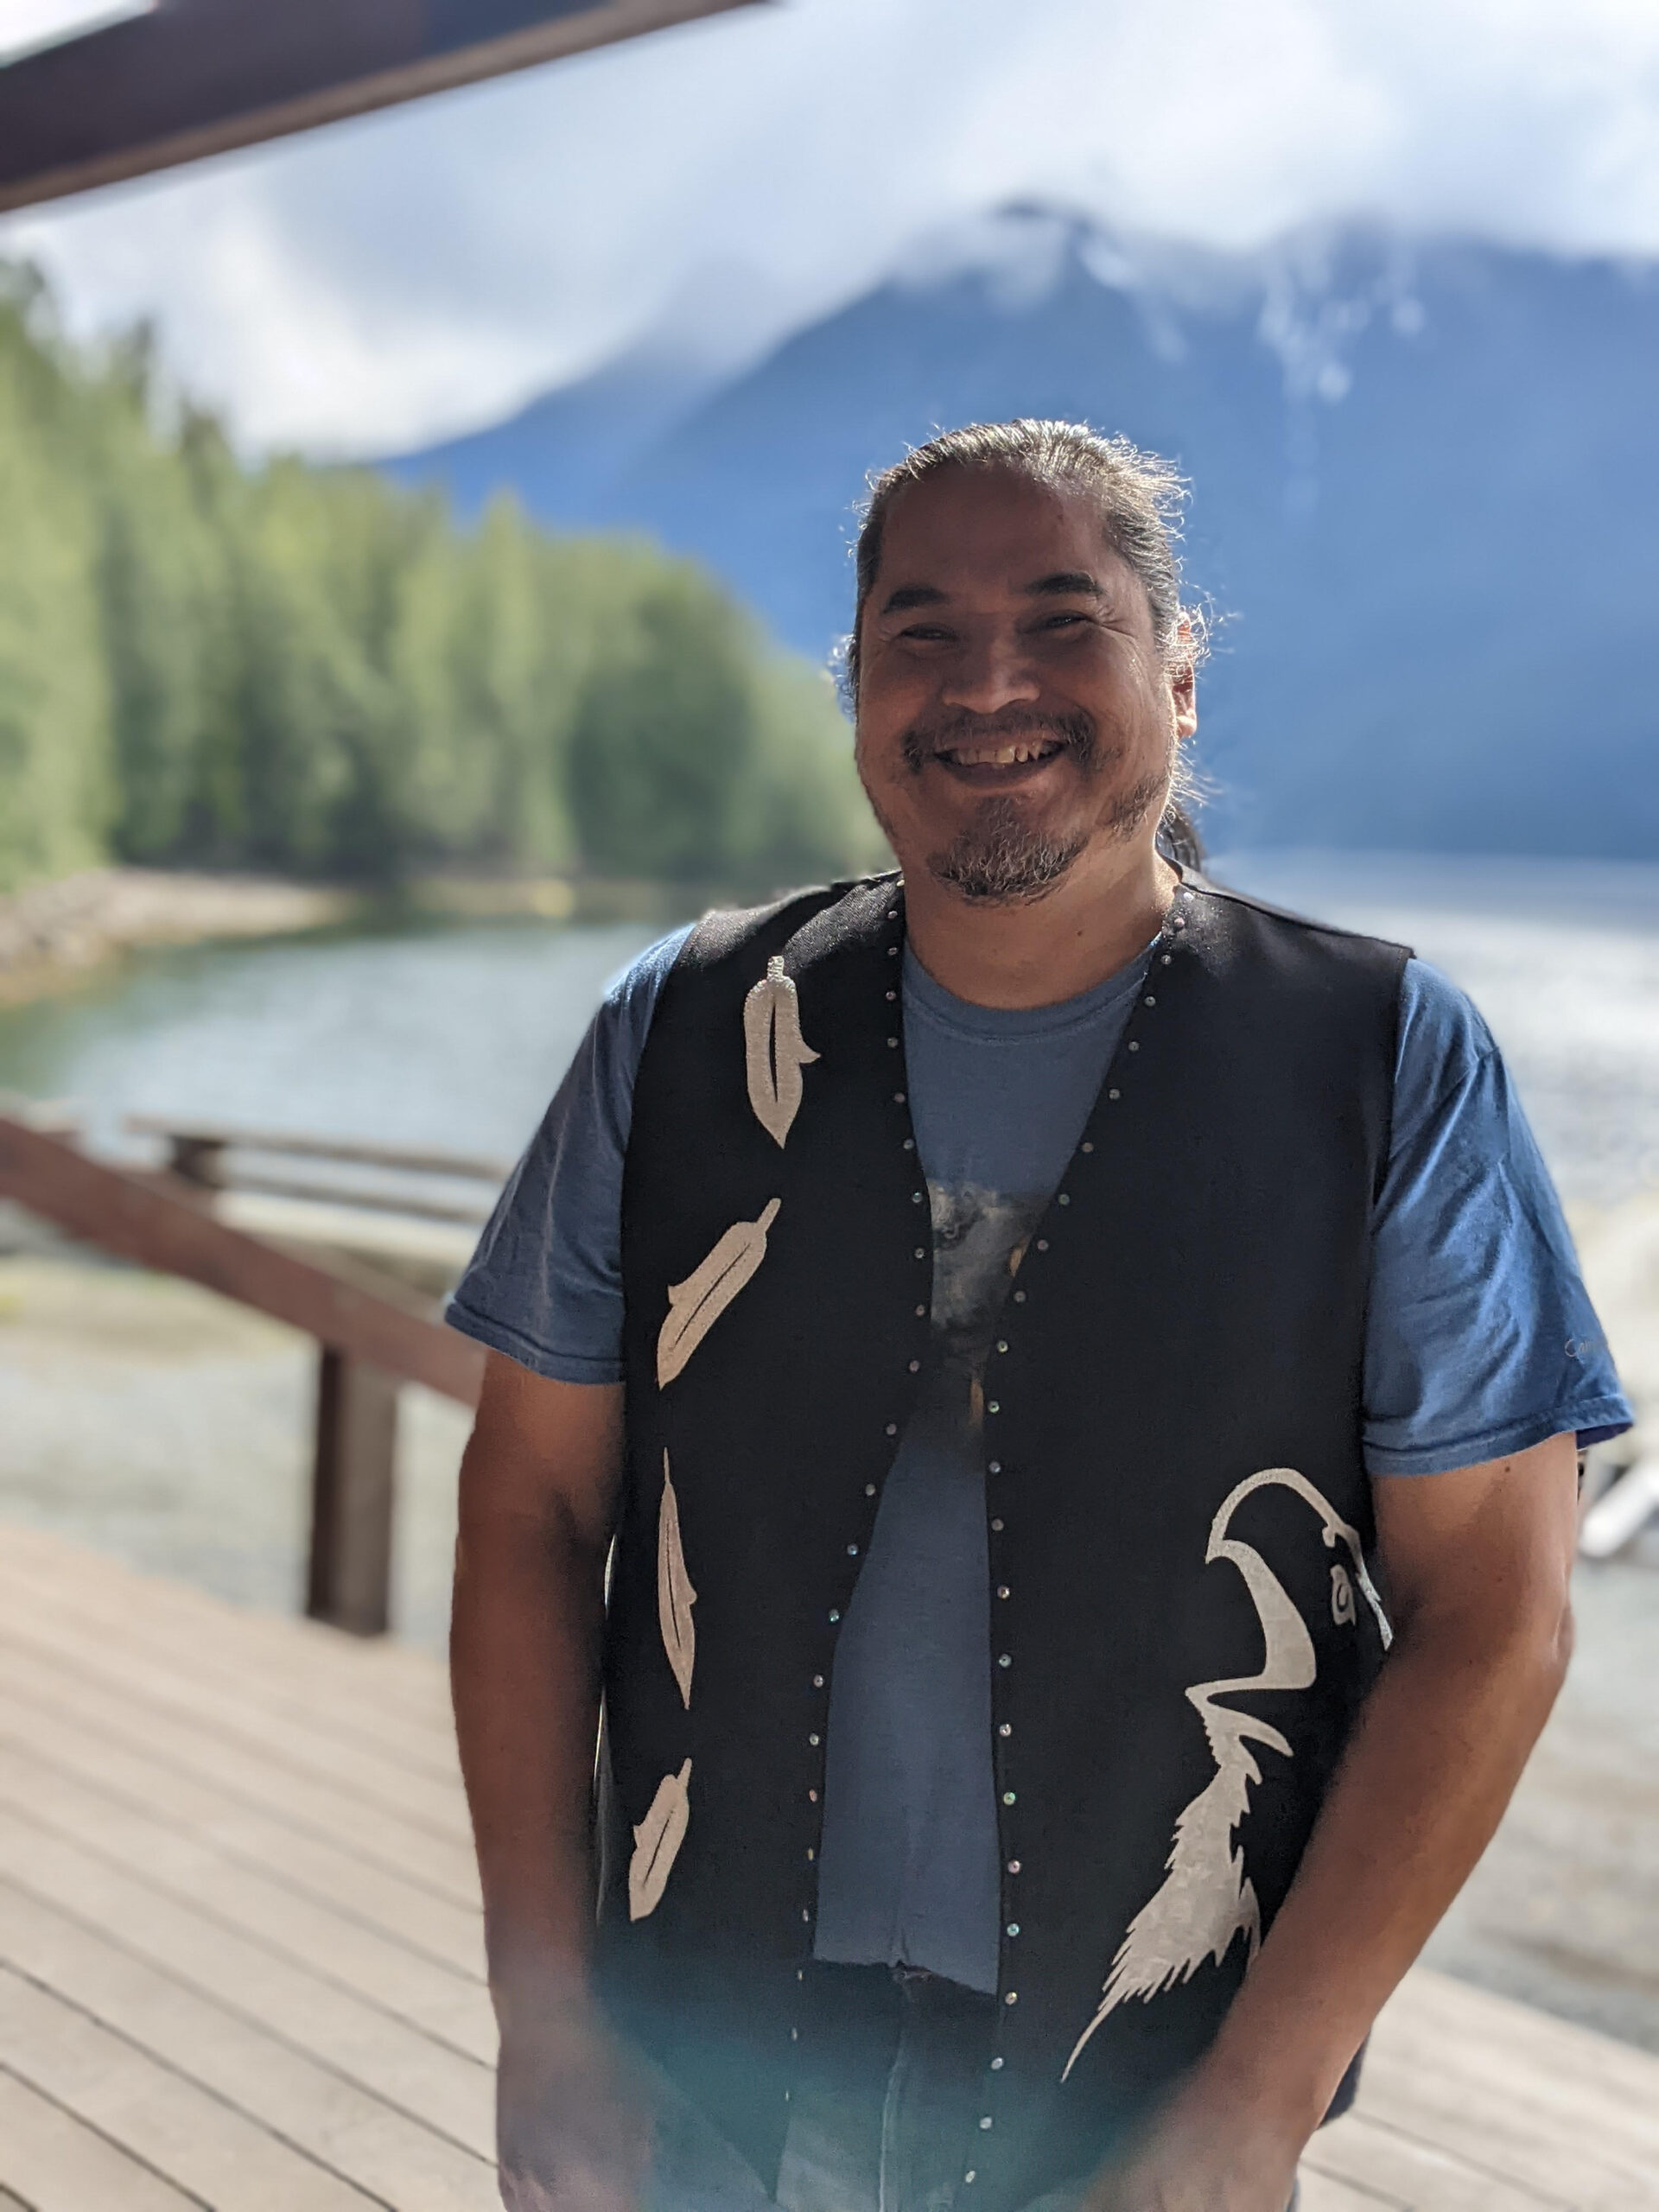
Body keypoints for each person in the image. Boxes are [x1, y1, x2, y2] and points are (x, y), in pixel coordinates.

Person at [448, 419, 1629, 2212]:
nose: (985, 680)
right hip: (699, 2072)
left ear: (1181, 671)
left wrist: (1257, 2099)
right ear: (855, 689)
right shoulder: (674, 1033)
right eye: (918, 630)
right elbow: (529, 1508)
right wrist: (543, 2007)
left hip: (1142, 2106)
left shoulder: (1383, 1063)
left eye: (1061, 617)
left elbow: (1501, 1605)